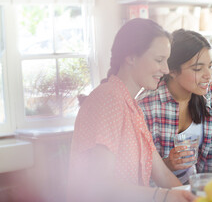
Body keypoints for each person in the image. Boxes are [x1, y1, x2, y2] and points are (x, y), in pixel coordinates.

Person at [68, 19, 195, 202]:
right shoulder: (107, 100)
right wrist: (167, 196)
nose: (166, 69)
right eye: (159, 60)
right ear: (130, 57)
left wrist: (191, 196)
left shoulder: (132, 107)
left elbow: (162, 175)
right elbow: (101, 185)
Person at [137, 29, 212, 184]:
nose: (208, 75)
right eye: (197, 68)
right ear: (172, 71)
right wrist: (168, 164)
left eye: (210, 66)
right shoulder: (146, 106)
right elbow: (138, 176)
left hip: (197, 189)